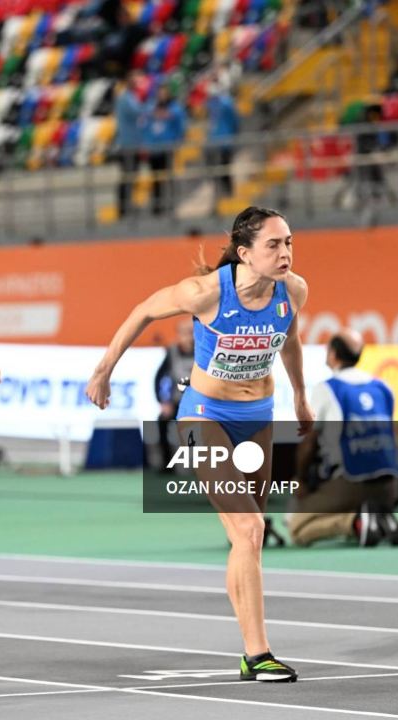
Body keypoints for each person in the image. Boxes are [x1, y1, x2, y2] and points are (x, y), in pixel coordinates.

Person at [87, 206, 313, 683]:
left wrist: (300, 395)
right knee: (251, 529)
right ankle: (258, 655)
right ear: (245, 252)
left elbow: (290, 340)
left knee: (245, 537)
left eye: (289, 242)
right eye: (274, 244)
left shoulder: (294, 291)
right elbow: (143, 310)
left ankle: (249, 647)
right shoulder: (208, 292)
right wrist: (104, 369)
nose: (285, 252)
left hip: (259, 416)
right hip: (205, 416)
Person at [287, 330, 398, 547]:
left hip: (351, 482)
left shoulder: (327, 388)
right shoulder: (383, 388)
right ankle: (377, 516)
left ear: (333, 355)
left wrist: (301, 480)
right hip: (391, 486)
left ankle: (355, 523)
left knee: (296, 528)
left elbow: (309, 443)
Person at [153, 318, 194, 471]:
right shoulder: (172, 353)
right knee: (162, 421)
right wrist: (163, 401)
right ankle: (166, 465)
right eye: (186, 333)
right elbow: (159, 378)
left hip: (199, 403)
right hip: (177, 402)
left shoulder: (204, 351)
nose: (189, 337)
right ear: (179, 334)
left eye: (192, 332)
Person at [144, 84, 187, 216]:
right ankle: (157, 207)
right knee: (155, 179)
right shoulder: (151, 106)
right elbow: (145, 124)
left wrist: (177, 140)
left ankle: (170, 204)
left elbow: (181, 125)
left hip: (167, 148)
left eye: (164, 93)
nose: (162, 96)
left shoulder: (175, 108)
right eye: (160, 93)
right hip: (154, 149)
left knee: (168, 178)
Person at [114, 70, 147, 219]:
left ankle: (127, 204)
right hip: (127, 144)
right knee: (128, 175)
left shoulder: (129, 97)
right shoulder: (125, 98)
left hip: (132, 142)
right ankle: (124, 207)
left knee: (131, 176)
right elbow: (138, 112)